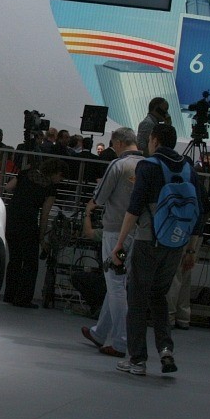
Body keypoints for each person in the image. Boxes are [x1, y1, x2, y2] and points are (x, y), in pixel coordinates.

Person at [111, 124, 207, 376]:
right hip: (176, 244)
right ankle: (166, 349)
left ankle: (137, 359)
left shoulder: (149, 166)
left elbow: (134, 207)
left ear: (154, 140)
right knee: (159, 296)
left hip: (148, 240)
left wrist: (119, 243)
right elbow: (201, 210)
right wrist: (191, 250)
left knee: (137, 298)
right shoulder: (188, 168)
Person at [80, 127, 142, 358]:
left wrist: (90, 207)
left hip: (116, 233)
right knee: (117, 281)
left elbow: (100, 196)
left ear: (118, 143)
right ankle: (100, 332)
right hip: (138, 233)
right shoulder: (147, 165)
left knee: (116, 284)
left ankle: (121, 342)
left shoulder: (119, 165)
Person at [2, 157, 64, 308]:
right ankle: (23, 298)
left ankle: (9, 294)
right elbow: (45, 215)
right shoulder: (50, 188)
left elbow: (8, 187)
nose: (60, 180)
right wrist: (41, 238)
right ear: (55, 173)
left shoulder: (25, 173)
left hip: (11, 217)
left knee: (15, 258)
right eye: (61, 177)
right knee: (30, 262)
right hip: (28, 222)